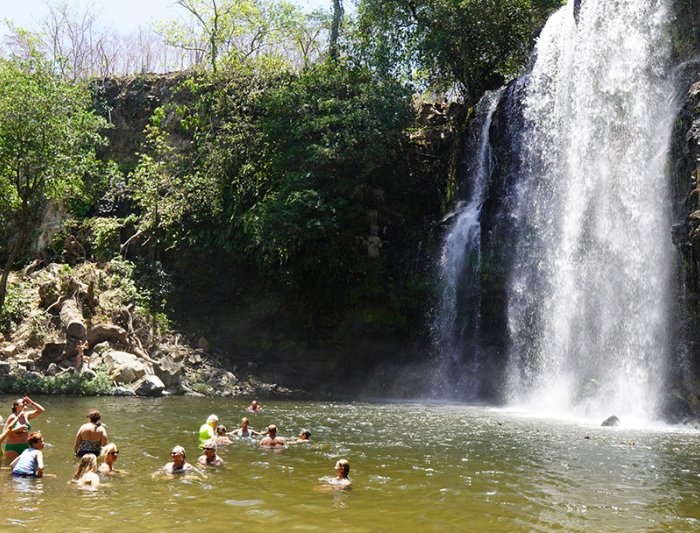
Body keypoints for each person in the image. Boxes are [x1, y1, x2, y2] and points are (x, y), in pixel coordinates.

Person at [3, 396, 45, 463]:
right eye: (22, 402)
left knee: (25, 465)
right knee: (13, 468)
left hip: (25, 446)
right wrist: (17, 430)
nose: (25, 403)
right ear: (16, 406)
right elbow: (4, 433)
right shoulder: (12, 417)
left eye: (25, 402)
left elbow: (41, 410)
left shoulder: (26, 415)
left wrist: (31, 402)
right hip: (13, 448)